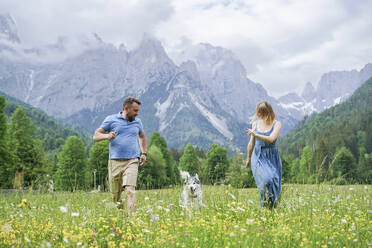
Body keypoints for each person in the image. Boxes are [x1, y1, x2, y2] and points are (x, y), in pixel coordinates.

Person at [93, 97, 147, 215]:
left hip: (132, 160)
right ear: (126, 108)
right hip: (114, 162)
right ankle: (122, 216)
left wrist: (143, 153)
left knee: (130, 190)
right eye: (135, 111)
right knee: (115, 196)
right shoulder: (111, 120)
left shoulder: (138, 122)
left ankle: (132, 219)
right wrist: (107, 136)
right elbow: (96, 135)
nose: (137, 114)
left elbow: (142, 136)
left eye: (138, 111)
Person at [246, 101, 282, 208]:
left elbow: (271, 139)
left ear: (267, 112)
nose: (259, 115)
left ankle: (272, 207)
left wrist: (256, 134)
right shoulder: (255, 124)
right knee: (266, 180)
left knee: (274, 180)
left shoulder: (277, 124)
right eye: (258, 113)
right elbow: (251, 143)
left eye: (261, 113)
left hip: (272, 156)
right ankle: (264, 206)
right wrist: (248, 158)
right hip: (258, 155)